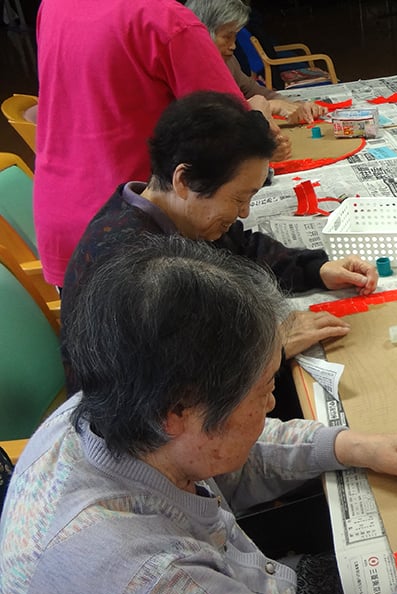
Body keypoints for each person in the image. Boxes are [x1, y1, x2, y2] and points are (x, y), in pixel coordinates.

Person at [0, 237, 397, 594]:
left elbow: (220, 448)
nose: (273, 402)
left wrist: (354, 444)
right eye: (261, 391)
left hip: (246, 574)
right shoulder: (159, 591)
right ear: (178, 411)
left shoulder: (101, 413)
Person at [61, 91, 377, 420]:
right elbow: (173, 385)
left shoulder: (175, 214)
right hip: (141, 428)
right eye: (239, 197)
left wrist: (318, 269)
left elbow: (242, 247)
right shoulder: (133, 265)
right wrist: (270, 348)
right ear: (184, 179)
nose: (244, 211)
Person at [32, 0, 289, 286]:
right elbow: (235, 135)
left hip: (64, 218)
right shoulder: (166, 21)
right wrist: (259, 113)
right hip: (135, 231)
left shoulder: (55, 5)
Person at [186, 0, 327, 123]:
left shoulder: (229, 61)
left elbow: (255, 90)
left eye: (235, 37)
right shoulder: (189, 68)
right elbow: (211, 119)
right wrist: (270, 106)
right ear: (203, 33)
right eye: (227, 37)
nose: (233, 45)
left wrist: (297, 105)